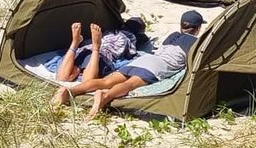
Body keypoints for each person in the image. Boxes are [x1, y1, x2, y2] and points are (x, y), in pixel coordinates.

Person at [55, 9, 207, 117]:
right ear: (198, 28)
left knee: (105, 80)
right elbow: (191, 60)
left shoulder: (173, 36)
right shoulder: (195, 42)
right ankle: (105, 97)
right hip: (157, 67)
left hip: (145, 59)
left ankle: (70, 91)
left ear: (181, 25)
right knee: (129, 85)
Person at [50, 17, 147, 109]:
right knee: (87, 81)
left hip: (84, 50)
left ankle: (75, 43)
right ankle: (96, 47)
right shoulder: (131, 37)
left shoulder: (110, 31)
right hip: (102, 55)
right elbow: (131, 53)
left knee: (63, 77)